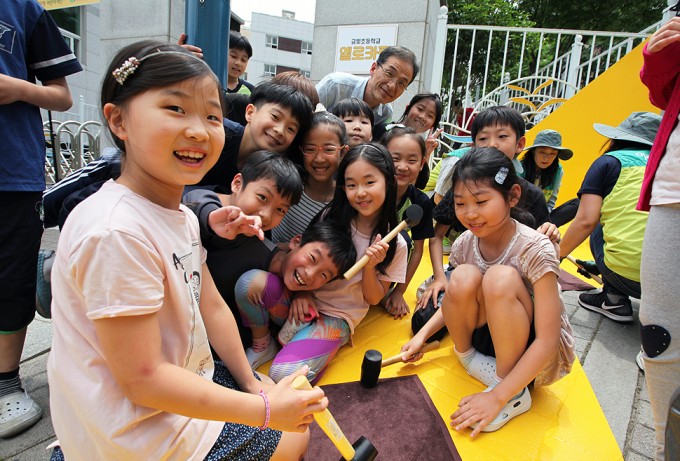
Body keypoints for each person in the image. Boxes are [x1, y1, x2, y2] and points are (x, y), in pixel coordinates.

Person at [47, 40, 326, 460]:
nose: (198, 130)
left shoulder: (176, 214)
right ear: (118, 121)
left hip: (175, 385)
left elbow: (211, 306)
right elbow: (143, 381)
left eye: (212, 115)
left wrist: (252, 384)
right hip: (135, 435)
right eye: (175, 109)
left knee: (286, 406)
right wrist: (264, 409)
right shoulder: (115, 231)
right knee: (295, 437)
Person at [401, 148, 574, 436]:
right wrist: (421, 337)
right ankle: (468, 356)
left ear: (513, 196)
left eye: (481, 201)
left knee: (499, 279)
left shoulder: (535, 248)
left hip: (530, 352)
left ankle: (511, 390)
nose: (470, 213)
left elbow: (547, 339)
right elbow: (453, 300)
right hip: (489, 336)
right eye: (460, 203)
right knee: (463, 276)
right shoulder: (465, 243)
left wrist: (497, 396)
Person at [0, 0, 82, 439]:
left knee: (10, 277)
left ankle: (6, 381)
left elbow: (61, 94)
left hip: (13, 172)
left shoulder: (23, 10)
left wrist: (16, 88)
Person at [267, 143, 409, 384]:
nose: (360, 192)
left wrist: (370, 266)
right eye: (351, 185)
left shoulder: (396, 244)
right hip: (302, 299)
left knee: (281, 375)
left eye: (369, 182)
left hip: (337, 316)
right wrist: (302, 293)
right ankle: (264, 344)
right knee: (253, 284)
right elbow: (302, 261)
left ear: (388, 181)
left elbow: (374, 299)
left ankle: (311, 352)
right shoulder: (330, 216)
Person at [413, 106, 556, 341]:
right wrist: (440, 277)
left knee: (499, 327)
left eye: (502, 136)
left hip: (509, 285)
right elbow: (437, 235)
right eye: (483, 138)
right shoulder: (464, 188)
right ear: (473, 145)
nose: (492, 144)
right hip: (469, 272)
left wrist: (551, 234)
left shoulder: (532, 196)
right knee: (423, 322)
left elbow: (544, 252)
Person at [184, 151, 303, 346]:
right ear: (237, 184)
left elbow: (291, 265)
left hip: (208, 336)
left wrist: (304, 293)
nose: (266, 215)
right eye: (263, 198)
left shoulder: (259, 247)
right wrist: (215, 220)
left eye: (280, 210)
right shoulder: (199, 202)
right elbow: (198, 202)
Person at [559, 111, 661, 324]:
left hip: (629, 277)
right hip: (670, 286)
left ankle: (613, 298)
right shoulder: (669, 167)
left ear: (617, 139)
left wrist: (554, 259)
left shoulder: (609, 163)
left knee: (598, 221)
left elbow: (586, 221)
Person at [637, 17, 680, 460]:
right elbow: (662, 94)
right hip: (674, 190)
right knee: (659, 329)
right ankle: (665, 445)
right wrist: (659, 55)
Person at [236, 222, 357, 369]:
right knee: (250, 283)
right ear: (295, 242)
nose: (310, 274)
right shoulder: (260, 250)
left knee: (285, 372)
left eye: (324, 275)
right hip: (289, 311)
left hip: (323, 320)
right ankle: (263, 345)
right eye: (312, 258)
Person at [198, 81, 313, 192]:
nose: (280, 131)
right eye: (275, 117)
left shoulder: (270, 171)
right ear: (250, 113)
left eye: (291, 129)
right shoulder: (215, 134)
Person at [380, 127, 434, 318]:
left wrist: (399, 291)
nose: (403, 166)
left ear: (422, 164)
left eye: (412, 160)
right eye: (395, 158)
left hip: (385, 269)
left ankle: (385, 290)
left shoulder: (421, 202)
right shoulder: (368, 192)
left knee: (403, 239)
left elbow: (418, 250)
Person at [272, 112, 347, 245]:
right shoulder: (286, 182)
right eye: (310, 149)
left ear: (343, 152)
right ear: (301, 150)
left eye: (329, 150)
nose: (319, 158)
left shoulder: (343, 203)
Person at [316, 46, 419, 140]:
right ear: (373, 68)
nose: (392, 86)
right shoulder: (335, 85)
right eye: (389, 73)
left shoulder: (385, 113)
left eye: (401, 83)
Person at [519, 129, 579, 227]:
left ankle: (544, 230)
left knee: (577, 203)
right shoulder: (520, 168)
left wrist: (545, 222)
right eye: (542, 152)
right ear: (534, 151)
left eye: (552, 154)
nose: (546, 158)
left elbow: (551, 201)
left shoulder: (558, 170)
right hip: (521, 217)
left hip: (543, 217)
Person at [390, 93, 444, 189]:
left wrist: (425, 153)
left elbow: (419, 185)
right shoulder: (385, 131)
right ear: (408, 108)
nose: (423, 116)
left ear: (432, 125)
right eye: (420, 109)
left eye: (430, 116)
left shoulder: (422, 145)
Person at [226, 30, 255, 95]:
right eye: (234, 56)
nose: (238, 63)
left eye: (243, 60)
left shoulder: (252, 91)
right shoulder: (209, 84)